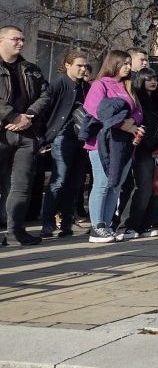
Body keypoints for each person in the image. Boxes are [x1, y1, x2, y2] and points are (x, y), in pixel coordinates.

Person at [82, 50, 141, 243]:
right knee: (102, 184)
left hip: (124, 144)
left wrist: (132, 121)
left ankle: (106, 226)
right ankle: (96, 226)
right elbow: (95, 109)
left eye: (129, 63)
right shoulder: (100, 84)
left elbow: (138, 111)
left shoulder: (129, 86)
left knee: (115, 186)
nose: (128, 67)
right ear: (113, 63)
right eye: (124, 63)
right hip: (102, 142)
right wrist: (120, 123)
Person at [0, 25, 52, 245]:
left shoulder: (31, 69)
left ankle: (15, 231)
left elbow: (46, 94)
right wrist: (12, 116)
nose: (21, 43)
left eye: (23, 39)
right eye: (16, 39)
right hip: (2, 132)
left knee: (21, 185)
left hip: (26, 134)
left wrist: (28, 115)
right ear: (1, 40)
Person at [39, 50, 89, 238]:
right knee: (59, 180)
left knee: (75, 182)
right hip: (62, 137)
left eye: (85, 66)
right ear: (67, 65)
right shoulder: (58, 84)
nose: (83, 69)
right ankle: (47, 223)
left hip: (81, 138)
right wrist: (44, 137)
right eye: (79, 65)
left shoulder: (86, 87)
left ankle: (67, 223)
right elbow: (45, 110)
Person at [121, 68, 158, 238]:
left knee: (156, 188)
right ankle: (132, 225)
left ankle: (146, 224)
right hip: (142, 150)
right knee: (143, 188)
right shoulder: (137, 101)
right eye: (148, 78)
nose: (153, 82)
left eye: (155, 78)